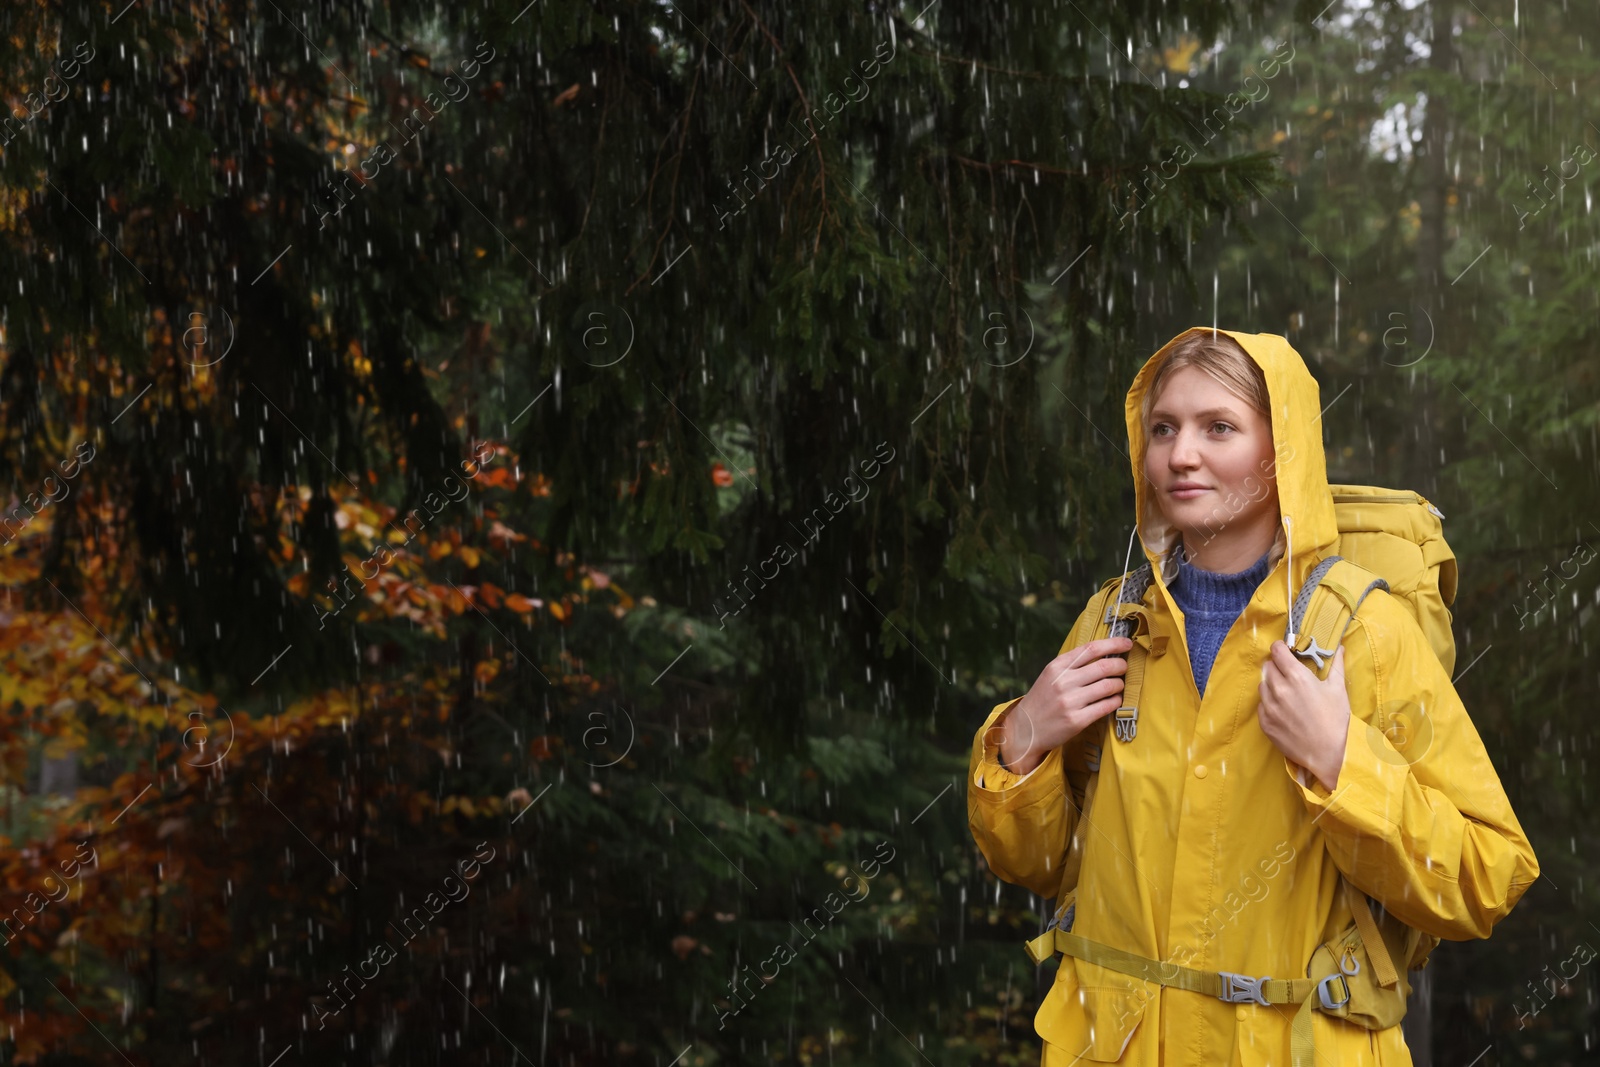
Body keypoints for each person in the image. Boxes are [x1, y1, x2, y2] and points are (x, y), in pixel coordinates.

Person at [967, 327, 1539, 1065]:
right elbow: (1044, 865)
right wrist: (1021, 746)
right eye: (1164, 427)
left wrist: (1343, 762)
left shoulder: (1363, 634)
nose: (1180, 454)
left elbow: (1486, 877)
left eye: (1220, 428)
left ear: (1282, 455)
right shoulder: (1114, 621)